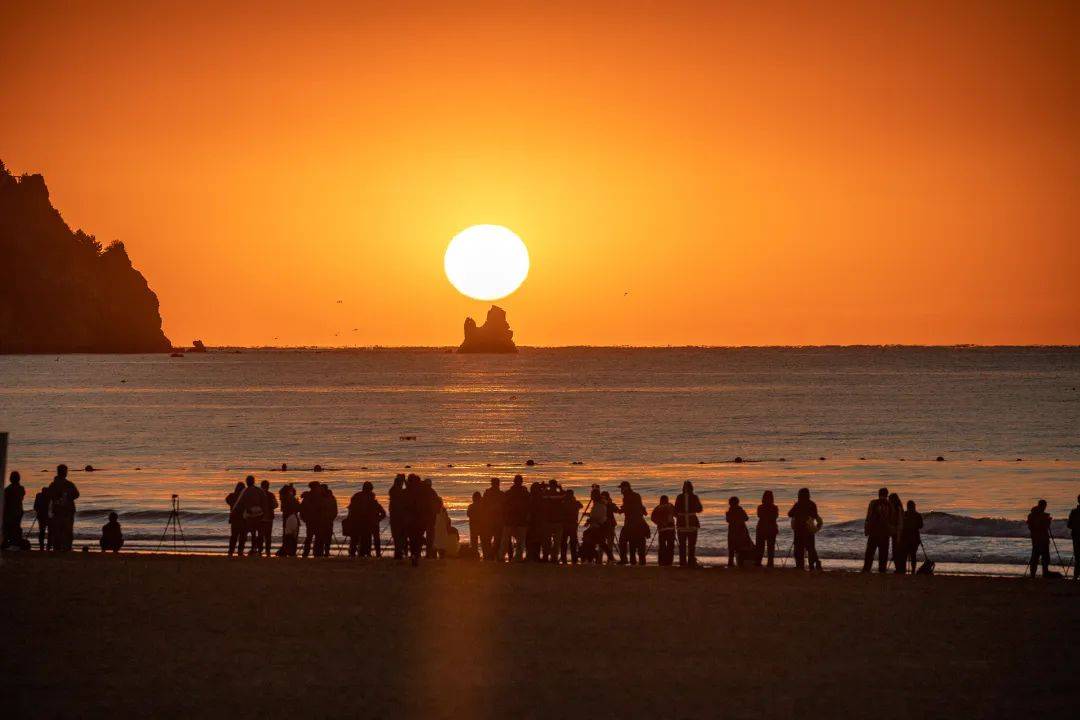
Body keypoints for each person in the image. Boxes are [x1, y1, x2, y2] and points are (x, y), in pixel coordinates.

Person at [347, 482, 386, 557]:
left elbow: (351, 509)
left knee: (363, 538)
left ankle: (363, 553)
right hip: (363, 522)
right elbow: (352, 509)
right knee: (362, 538)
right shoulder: (359, 497)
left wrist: (377, 519)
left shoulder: (362, 497)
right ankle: (363, 553)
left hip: (366, 522)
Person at [788, 488, 823, 570]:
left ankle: (800, 566)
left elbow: (790, 514)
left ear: (799, 495)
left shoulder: (798, 504)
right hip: (809, 530)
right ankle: (813, 565)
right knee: (811, 548)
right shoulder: (812, 504)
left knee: (798, 549)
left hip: (799, 530)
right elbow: (815, 515)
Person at [47, 464, 80, 552]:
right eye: (65, 471)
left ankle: (60, 548)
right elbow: (76, 494)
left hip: (61, 511)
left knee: (59, 531)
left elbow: (76, 495)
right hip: (64, 512)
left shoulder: (54, 485)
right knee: (66, 531)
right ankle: (65, 548)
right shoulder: (67, 484)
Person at [233, 475, 267, 556]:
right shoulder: (259, 490)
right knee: (256, 534)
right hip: (258, 514)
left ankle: (244, 550)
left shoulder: (245, 491)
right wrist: (263, 512)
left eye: (248, 481)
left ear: (248, 482)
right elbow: (264, 501)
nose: (247, 482)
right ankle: (256, 550)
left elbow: (239, 503)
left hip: (250, 515)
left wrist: (235, 511)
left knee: (246, 533)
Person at [402, 473, 430, 566]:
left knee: (413, 539)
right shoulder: (421, 491)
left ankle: (415, 555)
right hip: (419, 520)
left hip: (413, 520)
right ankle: (416, 555)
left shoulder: (409, 491)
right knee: (417, 538)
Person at [618, 481, 649, 565]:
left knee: (623, 541)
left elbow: (629, 508)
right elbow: (640, 507)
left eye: (622, 488)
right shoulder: (636, 495)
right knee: (637, 543)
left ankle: (627, 560)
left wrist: (620, 510)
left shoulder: (627, 497)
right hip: (639, 522)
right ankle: (640, 562)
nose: (621, 490)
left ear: (626, 488)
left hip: (630, 523)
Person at [499, 475, 530, 561]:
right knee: (512, 541)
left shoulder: (522, 493)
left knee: (512, 541)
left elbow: (528, 506)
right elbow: (503, 507)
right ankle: (508, 557)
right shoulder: (513, 493)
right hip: (513, 520)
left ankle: (507, 557)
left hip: (517, 520)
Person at [862, 488, 891, 573]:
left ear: (879, 494)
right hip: (885, 533)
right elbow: (892, 519)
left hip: (874, 532)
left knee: (870, 553)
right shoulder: (889, 504)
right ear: (886, 494)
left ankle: (866, 569)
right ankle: (882, 570)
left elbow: (868, 517)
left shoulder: (873, 503)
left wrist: (866, 529)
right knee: (883, 554)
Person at [675, 481, 702, 567]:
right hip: (692, 523)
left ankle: (683, 562)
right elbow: (699, 509)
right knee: (691, 545)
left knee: (682, 545)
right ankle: (691, 561)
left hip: (682, 524)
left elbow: (675, 510)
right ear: (692, 488)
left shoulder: (679, 497)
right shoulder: (694, 497)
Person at [581, 486, 609, 563]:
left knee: (594, 541)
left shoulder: (599, 505)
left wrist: (589, 520)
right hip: (595, 526)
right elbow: (595, 515)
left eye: (592, 495)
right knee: (596, 542)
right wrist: (589, 517)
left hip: (598, 527)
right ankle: (591, 557)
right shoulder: (598, 504)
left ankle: (592, 556)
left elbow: (598, 517)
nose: (591, 497)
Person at [725, 496, 754, 568]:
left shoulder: (729, 511)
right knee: (740, 546)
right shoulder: (741, 510)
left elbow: (728, 520)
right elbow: (746, 518)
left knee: (731, 547)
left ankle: (730, 563)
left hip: (732, 531)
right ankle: (740, 562)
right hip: (741, 530)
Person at [1026, 499, 1052, 578]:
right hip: (1041, 538)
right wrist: (1047, 522)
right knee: (1043, 557)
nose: (1044, 508)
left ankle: (1033, 574)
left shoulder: (1032, 515)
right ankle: (1044, 573)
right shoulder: (1039, 515)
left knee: (1036, 556)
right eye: (1044, 506)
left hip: (1036, 538)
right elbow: (1042, 527)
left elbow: (1030, 526)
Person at [897, 500, 924, 574]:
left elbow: (901, 526)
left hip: (906, 539)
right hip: (914, 539)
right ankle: (912, 571)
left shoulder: (905, 514)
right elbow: (920, 526)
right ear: (914, 506)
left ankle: (904, 570)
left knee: (905, 555)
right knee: (913, 556)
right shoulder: (917, 515)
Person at [481, 478, 505, 561]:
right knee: (494, 539)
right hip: (492, 520)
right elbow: (483, 506)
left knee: (493, 539)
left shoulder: (495, 494)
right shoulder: (491, 493)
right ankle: (491, 555)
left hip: (493, 520)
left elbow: (483, 506)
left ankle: (491, 555)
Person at [2, 471, 26, 550]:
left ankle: (10, 543)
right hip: (18, 511)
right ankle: (15, 543)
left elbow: (5, 502)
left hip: (10, 512)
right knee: (16, 527)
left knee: (9, 528)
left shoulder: (8, 490)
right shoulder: (21, 489)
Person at [300, 481, 325, 557]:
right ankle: (315, 553)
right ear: (315, 487)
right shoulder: (316, 496)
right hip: (314, 520)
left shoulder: (309, 496)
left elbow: (302, 509)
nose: (319, 488)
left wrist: (304, 518)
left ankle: (308, 553)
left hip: (313, 520)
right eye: (318, 486)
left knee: (311, 537)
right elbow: (303, 508)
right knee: (315, 537)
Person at [755, 491, 779, 568]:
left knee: (760, 547)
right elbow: (775, 517)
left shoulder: (760, 507)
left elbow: (759, 515)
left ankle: (758, 562)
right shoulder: (774, 507)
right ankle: (770, 563)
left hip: (761, 528)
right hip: (771, 528)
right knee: (770, 547)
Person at [651, 495, 677, 566]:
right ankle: (669, 562)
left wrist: (658, 523)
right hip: (670, 529)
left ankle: (661, 562)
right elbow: (676, 515)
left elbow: (652, 518)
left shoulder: (657, 508)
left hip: (662, 530)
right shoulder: (670, 506)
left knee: (662, 546)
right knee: (670, 547)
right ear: (667, 500)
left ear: (661, 500)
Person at [559, 488, 582, 564]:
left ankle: (564, 558)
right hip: (571, 524)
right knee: (572, 543)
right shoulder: (574, 503)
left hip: (568, 524)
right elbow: (580, 506)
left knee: (565, 542)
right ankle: (573, 559)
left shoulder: (564, 503)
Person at [277, 483, 300, 557]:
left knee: (287, 536)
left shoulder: (284, 498)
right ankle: (291, 551)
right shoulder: (289, 498)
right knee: (292, 536)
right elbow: (297, 508)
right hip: (291, 517)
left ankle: (286, 551)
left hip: (286, 518)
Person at [388, 474, 407, 560]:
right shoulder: (400, 492)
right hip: (400, 518)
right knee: (400, 536)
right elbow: (409, 490)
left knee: (397, 536)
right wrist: (404, 480)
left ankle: (398, 553)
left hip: (395, 517)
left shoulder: (393, 491)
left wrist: (402, 480)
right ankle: (399, 553)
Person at [258, 479, 278, 557]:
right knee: (268, 536)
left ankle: (260, 551)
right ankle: (268, 551)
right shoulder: (271, 495)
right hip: (269, 518)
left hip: (260, 518)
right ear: (268, 487)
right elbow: (276, 505)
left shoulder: (258, 495)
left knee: (260, 535)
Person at [226, 481, 245, 556]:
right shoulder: (244, 497)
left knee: (233, 536)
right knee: (242, 536)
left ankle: (230, 551)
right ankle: (240, 551)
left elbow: (227, 500)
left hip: (234, 519)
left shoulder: (231, 496)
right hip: (242, 519)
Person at [887, 492, 905, 572]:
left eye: (890, 500)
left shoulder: (897, 509)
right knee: (897, 552)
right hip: (896, 534)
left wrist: (898, 536)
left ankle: (899, 569)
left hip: (898, 534)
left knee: (896, 552)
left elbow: (899, 524)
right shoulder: (897, 508)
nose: (889, 501)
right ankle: (899, 568)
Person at [320, 483, 338, 557]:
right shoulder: (320, 497)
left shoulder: (331, 497)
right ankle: (320, 551)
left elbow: (335, 510)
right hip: (320, 521)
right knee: (320, 537)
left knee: (328, 537)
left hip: (328, 520)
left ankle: (326, 551)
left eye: (322, 489)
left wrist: (331, 518)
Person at [467, 491, 485, 556]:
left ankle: (475, 554)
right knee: (483, 541)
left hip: (473, 525)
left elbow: (468, 514)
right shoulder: (483, 506)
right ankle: (485, 554)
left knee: (474, 541)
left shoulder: (471, 506)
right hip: (481, 525)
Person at [33, 485, 51, 551]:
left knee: (42, 531)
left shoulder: (39, 496)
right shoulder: (48, 496)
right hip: (45, 516)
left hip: (42, 516)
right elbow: (35, 507)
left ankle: (42, 546)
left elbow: (35, 507)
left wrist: (38, 510)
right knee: (48, 531)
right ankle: (46, 546)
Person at [1068, 494, 1080, 581]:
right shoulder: (1074, 512)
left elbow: (1069, 525)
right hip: (1076, 536)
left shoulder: (1074, 512)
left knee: (1077, 556)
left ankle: (1076, 576)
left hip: (1076, 536)